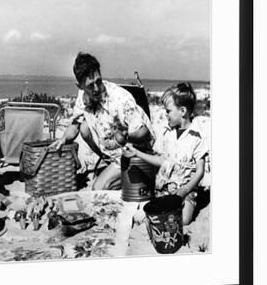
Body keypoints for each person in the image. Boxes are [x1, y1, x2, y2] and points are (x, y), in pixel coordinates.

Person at [50, 52, 153, 191]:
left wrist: (125, 136)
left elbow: (145, 134)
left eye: (99, 81)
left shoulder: (120, 99)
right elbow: (75, 125)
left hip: (138, 151)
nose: (97, 89)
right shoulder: (82, 96)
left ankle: (139, 174)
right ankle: (115, 168)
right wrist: (63, 139)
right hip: (113, 149)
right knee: (84, 128)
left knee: (98, 189)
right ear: (80, 86)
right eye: (90, 85)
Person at [124, 82, 208, 225]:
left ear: (182, 111)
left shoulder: (197, 136)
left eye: (168, 111)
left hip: (185, 192)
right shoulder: (168, 133)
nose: (165, 114)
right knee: (155, 211)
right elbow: (162, 160)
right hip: (164, 189)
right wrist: (137, 153)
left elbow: (200, 172)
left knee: (185, 220)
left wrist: (185, 190)